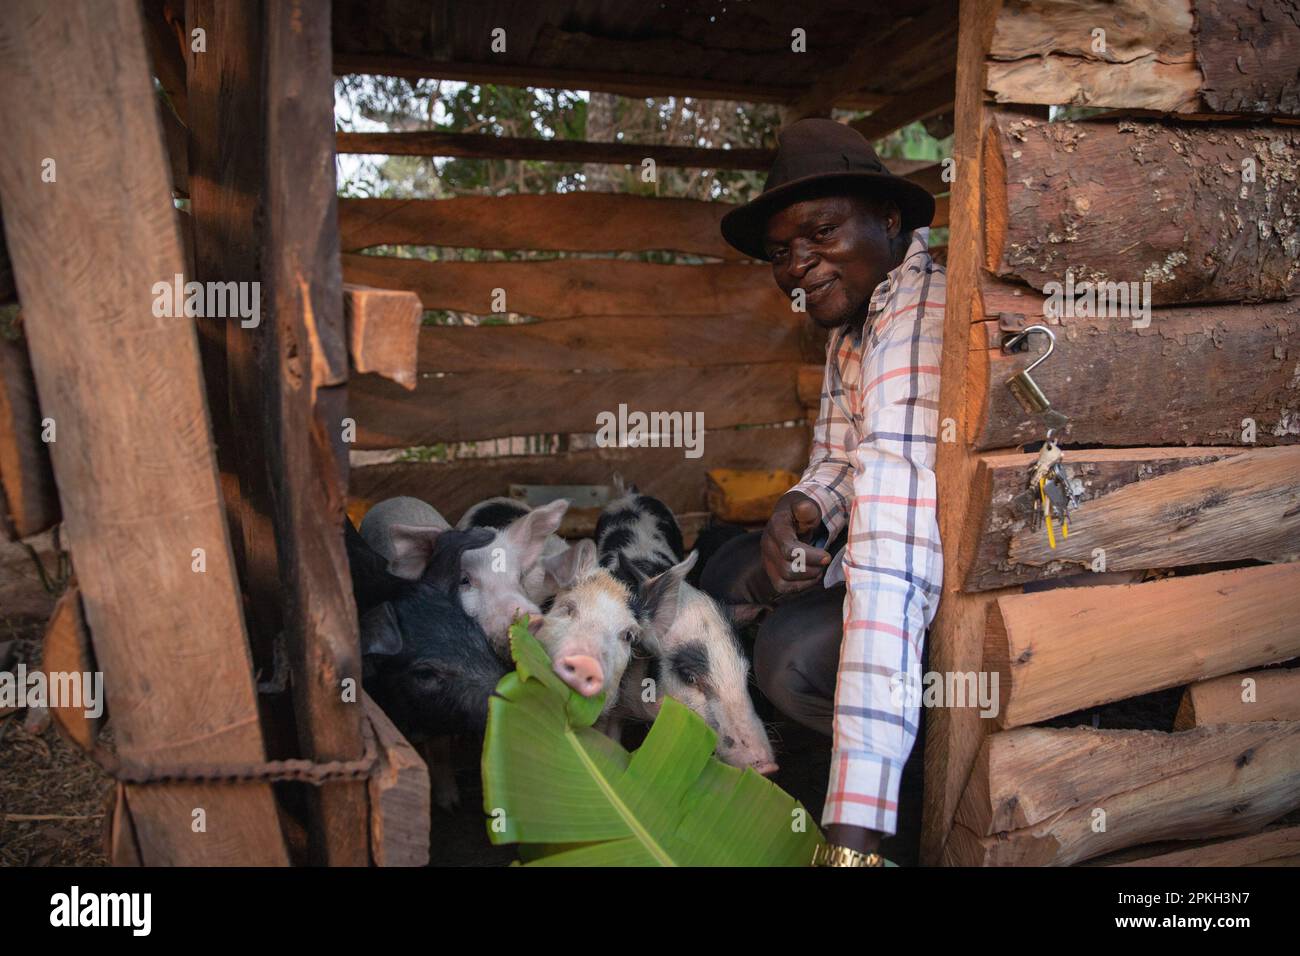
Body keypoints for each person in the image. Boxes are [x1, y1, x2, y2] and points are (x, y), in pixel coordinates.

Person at [703, 118, 945, 867]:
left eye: (822, 231)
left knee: (791, 657)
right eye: (782, 252)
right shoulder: (854, 325)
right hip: (899, 561)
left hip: (958, 586)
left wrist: (850, 842)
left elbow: (893, 553)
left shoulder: (919, 315)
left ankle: (907, 809)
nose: (798, 265)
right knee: (728, 569)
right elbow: (843, 462)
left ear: (890, 219)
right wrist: (802, 507)